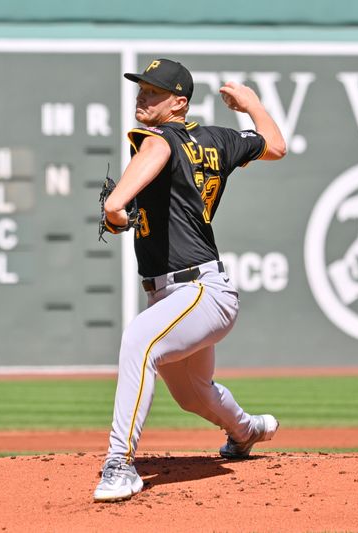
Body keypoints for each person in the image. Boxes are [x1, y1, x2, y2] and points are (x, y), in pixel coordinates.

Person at [94, 58, 287, 502]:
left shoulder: (159, 138)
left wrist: (116, 204)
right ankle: (248, 430)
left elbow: (157, 152)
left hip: (200, 290)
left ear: (179, 102)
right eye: (141, 87)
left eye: (154, 91)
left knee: (138, 343)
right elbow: (275, 145)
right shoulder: (219, 139)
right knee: (193, 394)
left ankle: (119, 464)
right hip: (184, 295)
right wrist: (252, 105)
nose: (143, 95)